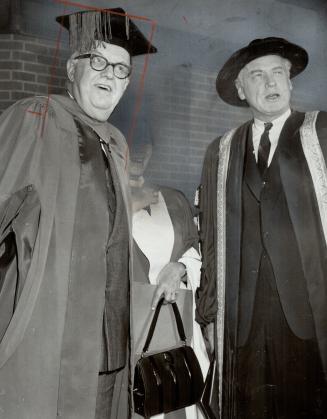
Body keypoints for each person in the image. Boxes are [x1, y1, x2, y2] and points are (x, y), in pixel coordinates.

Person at [0, 8, 156, 419]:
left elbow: (113, 233)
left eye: (121, 68)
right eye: (98, 61)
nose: (110, 73)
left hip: (110, 350)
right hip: (52, 340)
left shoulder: (116, 142)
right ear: (73, 68)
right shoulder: (35, 118)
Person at [196, 37, 327, 419]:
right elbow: (211, 240)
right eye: (257, 75)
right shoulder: (221, 151)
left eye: (278, 74)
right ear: (240, 89)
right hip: (243, 321)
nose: (270, 84)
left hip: (312, 318)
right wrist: (209, 314)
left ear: (291, 82)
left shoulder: (320, 134)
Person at [130, 143, 209, 419]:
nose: (137, 153)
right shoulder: (105, 202)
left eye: (144, 144)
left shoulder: (173, 198)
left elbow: (195, 250)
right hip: (134, 329)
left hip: (179, 322)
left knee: (184, 396)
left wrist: (179, 268)